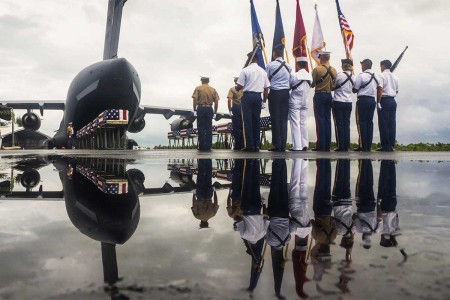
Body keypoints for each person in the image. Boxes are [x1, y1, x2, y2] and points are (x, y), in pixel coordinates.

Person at [236, 52, 270, 152]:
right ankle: (256, 145)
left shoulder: (245, 70)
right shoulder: (263, 72)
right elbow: (266, 88)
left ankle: (249, 145)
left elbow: (240, 86)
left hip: (247, 97)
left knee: (247, 122)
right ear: (257, 59)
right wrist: (264, 101)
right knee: (256, 122)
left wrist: (236, 87)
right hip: (257, 97)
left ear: (250, 59)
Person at [266, 45, 292, 152]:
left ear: (274, 53)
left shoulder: (270, 65)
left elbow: (266, 81)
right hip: (285, 93)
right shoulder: (289, 67)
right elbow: (290, 81)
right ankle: (283, 144)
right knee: (283, 119)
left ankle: (277, 144)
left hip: (275, 93)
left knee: (275, 119)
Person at [352, 59, 382, 152]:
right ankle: (368, 145)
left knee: (361, 123)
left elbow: (355, 89)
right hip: (372, 100)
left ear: (364, 65)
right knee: (369, 123)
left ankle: (362, 145)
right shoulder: (377, 76)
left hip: (363, 100)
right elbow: (379, 88)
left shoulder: (361, 76)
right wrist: (378, 102)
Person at [311, 51, 337, 151]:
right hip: (329, 95)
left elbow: (313, 84)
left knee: (320, 120)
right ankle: (327, 145)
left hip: (319, 95)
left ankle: (320, 145)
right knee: (327, 120)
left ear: (321, 58)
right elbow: (334, 84)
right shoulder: (334, 70)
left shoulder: (317, 69)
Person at [289, 57, 312, 151]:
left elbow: (289, 86)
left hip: (295, 100)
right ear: (306, 65)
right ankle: (304, 144)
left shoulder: (295, 76)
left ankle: (297, 146)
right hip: (305, 101)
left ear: (297, 65)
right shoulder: (310, 76)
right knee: (303, 123)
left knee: (295, 123)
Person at [332, 59, 355, 152]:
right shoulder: (354, 77)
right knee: (347, 124)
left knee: (339, 124)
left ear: (343, 66)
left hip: (338, 101)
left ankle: (341, 145)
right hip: (348, 101)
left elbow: (333, 86)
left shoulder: (339, 75)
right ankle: (346, 145)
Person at [377, 60, 399, 152]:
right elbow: (397, 91)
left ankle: (385, 145)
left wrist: (378, 102)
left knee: (384, 124)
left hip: (384, 100)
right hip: (392, 100)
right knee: (392, 123)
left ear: (383, 66)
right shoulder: (395, 77)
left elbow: (380, 89)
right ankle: (391, 144)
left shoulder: (381, 75)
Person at [192, 76, 220, 151]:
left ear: (202, 81)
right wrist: (215, 112)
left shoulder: (198, 88)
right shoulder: (213, 89)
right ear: (208, 81)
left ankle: (201, 146)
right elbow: (216, 101)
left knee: (201, 128)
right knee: (209, 128)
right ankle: (208, 146)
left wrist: (194, 110)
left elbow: (195, 99)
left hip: (201, 108)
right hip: (209, 108)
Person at [191, 159, 219, 228]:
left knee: (208, 176)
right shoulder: (197, 216)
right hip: (200, 195)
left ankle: (208, 160)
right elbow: (194, 204)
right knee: (201, 175)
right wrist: (194, 193)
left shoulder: (213, 215)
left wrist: (214, 191)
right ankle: (202, 160)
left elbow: (216, 203)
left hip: (209, 195)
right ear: (201, 223)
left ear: (207, 223)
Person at [227, 77, 244, 150]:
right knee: (243, 126)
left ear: (235, 82)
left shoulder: (232, 89)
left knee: (236, 127)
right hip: (243, 108)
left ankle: (237, 145)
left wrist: (230, 110)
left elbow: (229, 100)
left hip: (236, 108)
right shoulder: (244, 88)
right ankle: (244, 144)